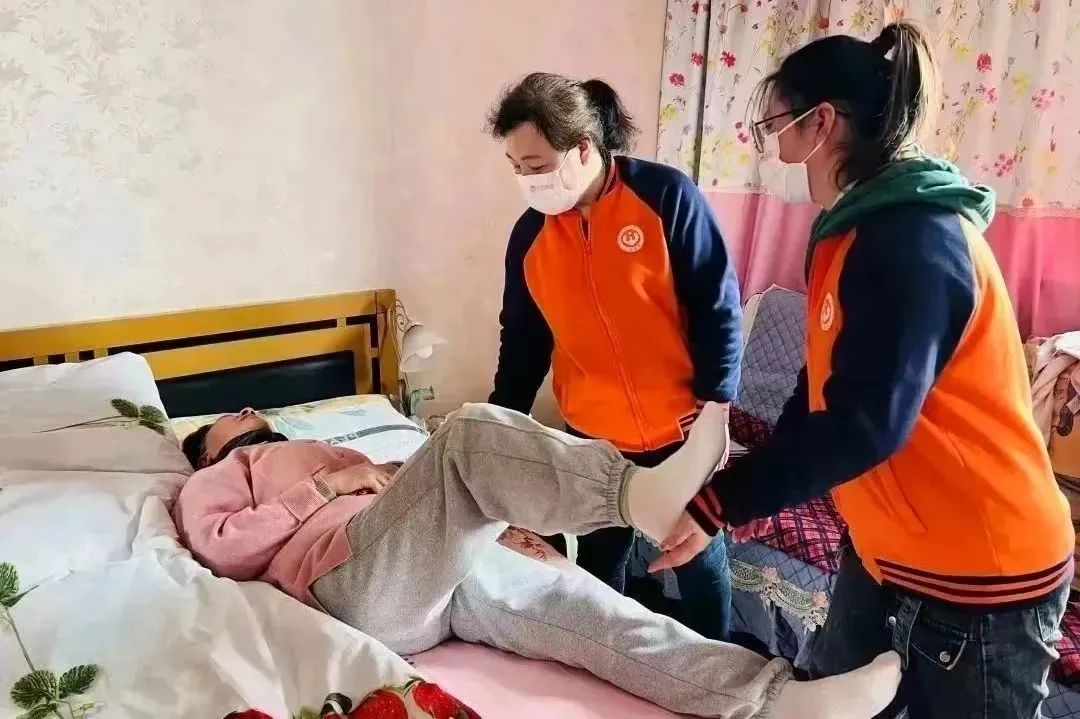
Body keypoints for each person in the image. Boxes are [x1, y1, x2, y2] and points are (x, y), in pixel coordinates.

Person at [645, 22, 1074, 719]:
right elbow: (816, 393)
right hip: (883, 552)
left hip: (981, 573)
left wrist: (725, 500)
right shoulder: (846, 234)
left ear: (822, 122)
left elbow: (863, 426)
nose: (772, 144)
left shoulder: (915, 239)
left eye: (775, 122)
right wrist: (732, 496)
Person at [173, 403, 902, 719]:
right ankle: (637, 496)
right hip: (351, 582)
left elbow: (423, 499)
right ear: (210, 445)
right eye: (228, 417)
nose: (245, 409)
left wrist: (487, 520)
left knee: (591, 611)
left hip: (429, 575)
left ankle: (773, 700)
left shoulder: (324, 446)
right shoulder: (222, 474)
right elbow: (222, 545)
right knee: (463, 434)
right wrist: (327, 487)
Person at [485, 72, 743, 640]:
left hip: (680, 428)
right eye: (517, 167)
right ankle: (616, 667)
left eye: (537, 164)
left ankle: (726, 670)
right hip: (593, 436)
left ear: (583, 148)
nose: (528, 180)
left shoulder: (665, 197)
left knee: (698, 560)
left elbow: (718, 306)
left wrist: (717, 407)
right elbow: (522, 343)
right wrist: (499, 426)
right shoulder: (530, 237)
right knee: (601, 565)